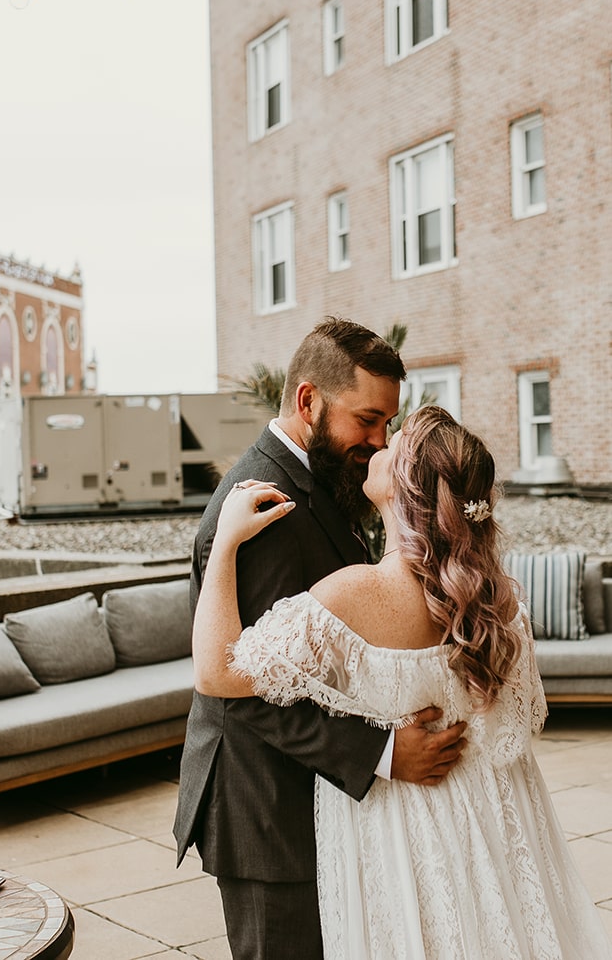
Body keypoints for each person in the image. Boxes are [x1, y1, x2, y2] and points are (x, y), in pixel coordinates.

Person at [192, 404, 612, 960]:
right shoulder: (496, 600)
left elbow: (217, 672)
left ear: (403, 487)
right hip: (491, 824)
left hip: (395, 834)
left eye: (395, 440)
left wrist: (224, 544)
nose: (378, 445)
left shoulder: (354, 595)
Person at [173, 318, 467, 960]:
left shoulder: (326, 478)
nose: (378, 440)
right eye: (367, 420)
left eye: (388, 423)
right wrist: (382, 753)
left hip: (310, 797)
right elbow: (242, 685)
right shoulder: (265, 506)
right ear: (308, 401)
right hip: (264, 806)